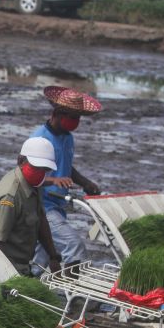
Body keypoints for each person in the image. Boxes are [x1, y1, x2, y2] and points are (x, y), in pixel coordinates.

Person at [30, 86, 104, 270]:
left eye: (77, 118)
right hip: (42, 206)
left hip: (58, 205)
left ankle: (30, 289)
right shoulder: (39, 140)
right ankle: (77, 295)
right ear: (56, 113)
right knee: (74, 244)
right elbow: (25, 175)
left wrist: (86, 183)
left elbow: (65, 167)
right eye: (70, 117)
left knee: (42, 258)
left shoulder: (67, 138)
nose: (74, 122)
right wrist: (52, 181)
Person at [0, 137, 63, 276]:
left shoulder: (34, 184)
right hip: (1, 265)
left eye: (44, 169)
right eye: (36, 168)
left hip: (21, 263)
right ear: (21, 161)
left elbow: (40, 220)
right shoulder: (9, 197)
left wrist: (53, 256)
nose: (40, 173)